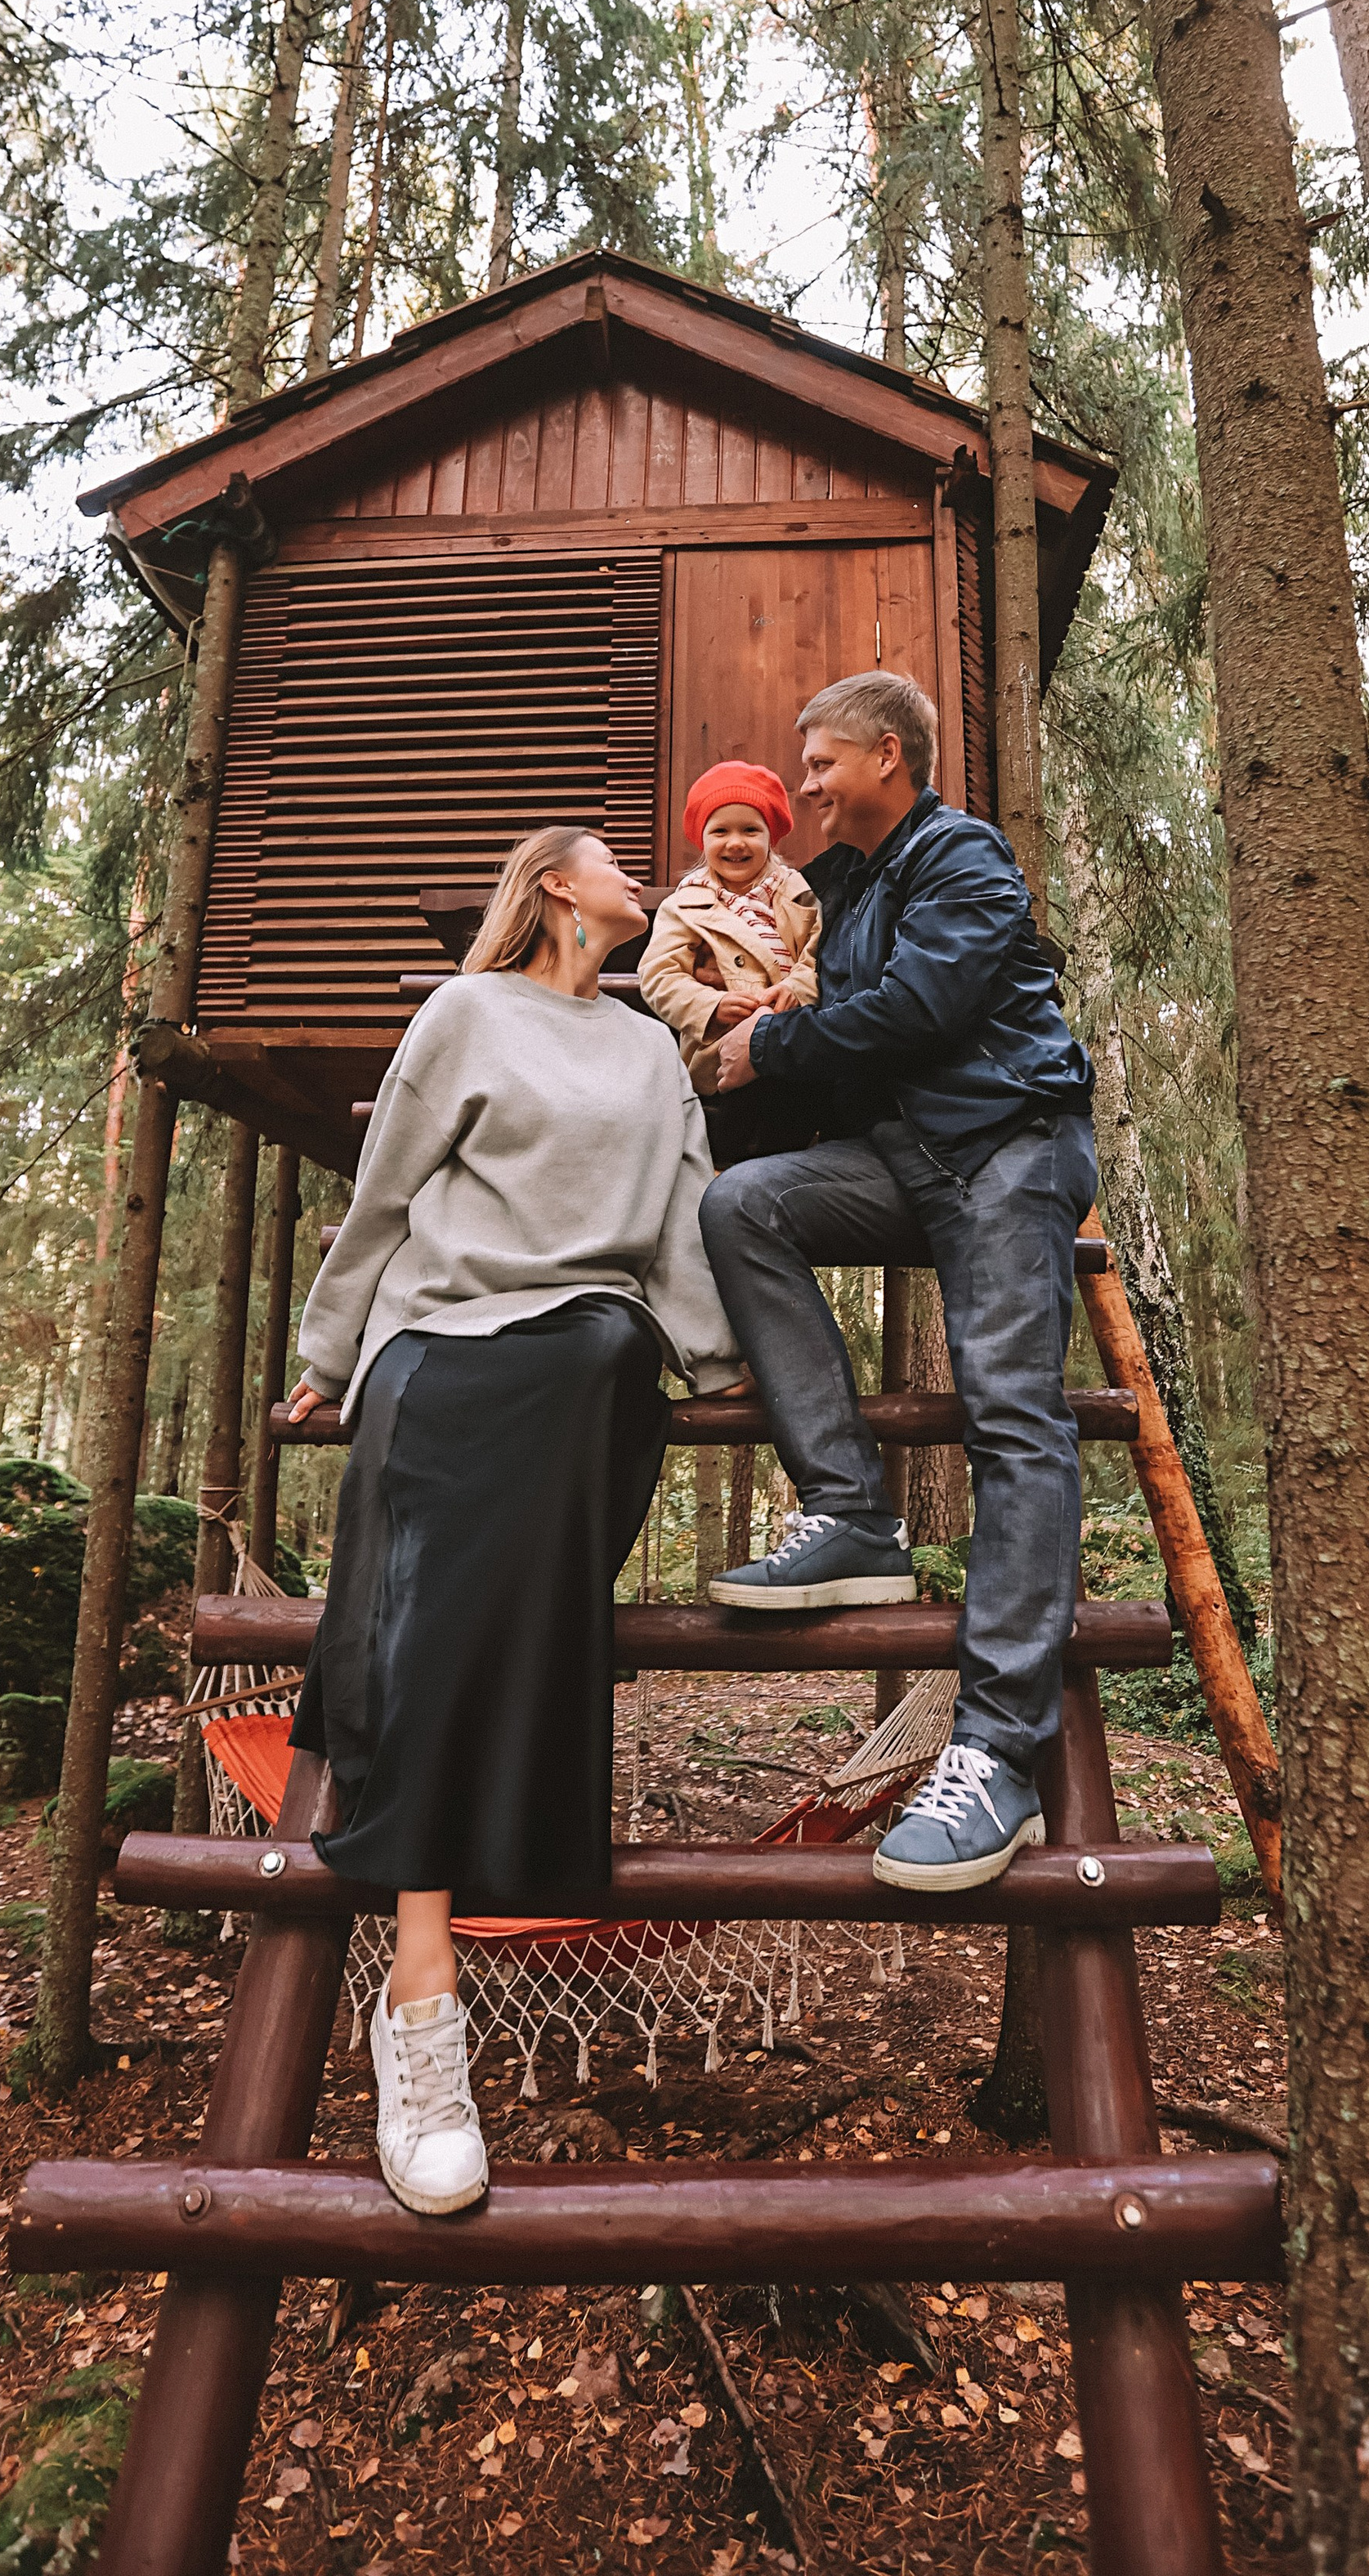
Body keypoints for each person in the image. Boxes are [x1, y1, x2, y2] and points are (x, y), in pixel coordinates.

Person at [283, 825, 741, 2215]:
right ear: (556, 887)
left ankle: (426, 1929)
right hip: (441, 1340)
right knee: (456, 1566)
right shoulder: (467, 1014)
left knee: (603, 1356)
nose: (641, 882)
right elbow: (386, 1198)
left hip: (580, 1345)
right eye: (617, 866)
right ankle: (423, 2010)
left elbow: (684, 1213)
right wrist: (328, 1351)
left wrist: (722, 1370)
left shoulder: (653, 1053)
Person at [698, 671, 1098, 1894]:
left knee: (1012, 1413)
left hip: (1007, 1144)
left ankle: (996, 1756)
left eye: (819, 762)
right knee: (742, 1204)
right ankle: (852, 1512)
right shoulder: (848, 890)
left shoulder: (961, 854)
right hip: (909, 1157)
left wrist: (767, 1039)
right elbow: (843, 1025)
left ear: (886, 755)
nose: (804, 784)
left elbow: (922, 1008)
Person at [638, 759, 821, 1163]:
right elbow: (658, 974)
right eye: (720, 831)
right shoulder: (686, 904)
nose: (735, 842)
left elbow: (818, 951)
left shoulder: (797, 892)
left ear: (770, 838)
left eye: (750, 830)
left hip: (791, 1037)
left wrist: (796, 988)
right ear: (701, 840)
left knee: (795, 1119)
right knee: (731, 1134)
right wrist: (711, 1005)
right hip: (721, 1049)